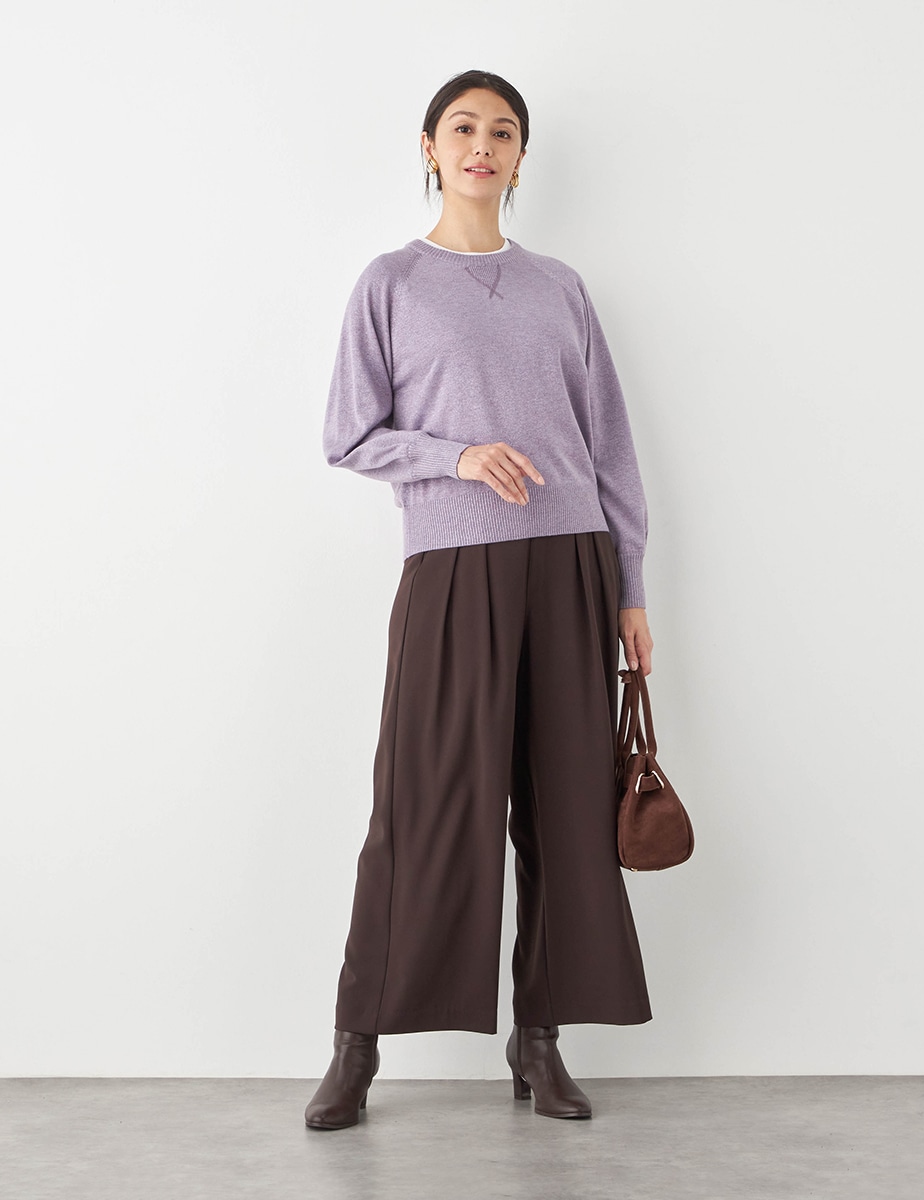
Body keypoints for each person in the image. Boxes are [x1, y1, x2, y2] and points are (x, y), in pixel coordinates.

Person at [304, 69, 655, 1130]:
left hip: (572, 562)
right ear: (429, 148)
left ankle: (537, 1039)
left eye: (503, 132)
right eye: (463, 128)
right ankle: (356, 1044)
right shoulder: (393, 283)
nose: (482, 146)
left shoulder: (560, 287)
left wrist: (630, 587)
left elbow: (609, 446)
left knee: (564, 810)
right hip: (454, 567)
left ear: (519, 158)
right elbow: (349, 435)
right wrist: (453, 457)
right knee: (420, 806)